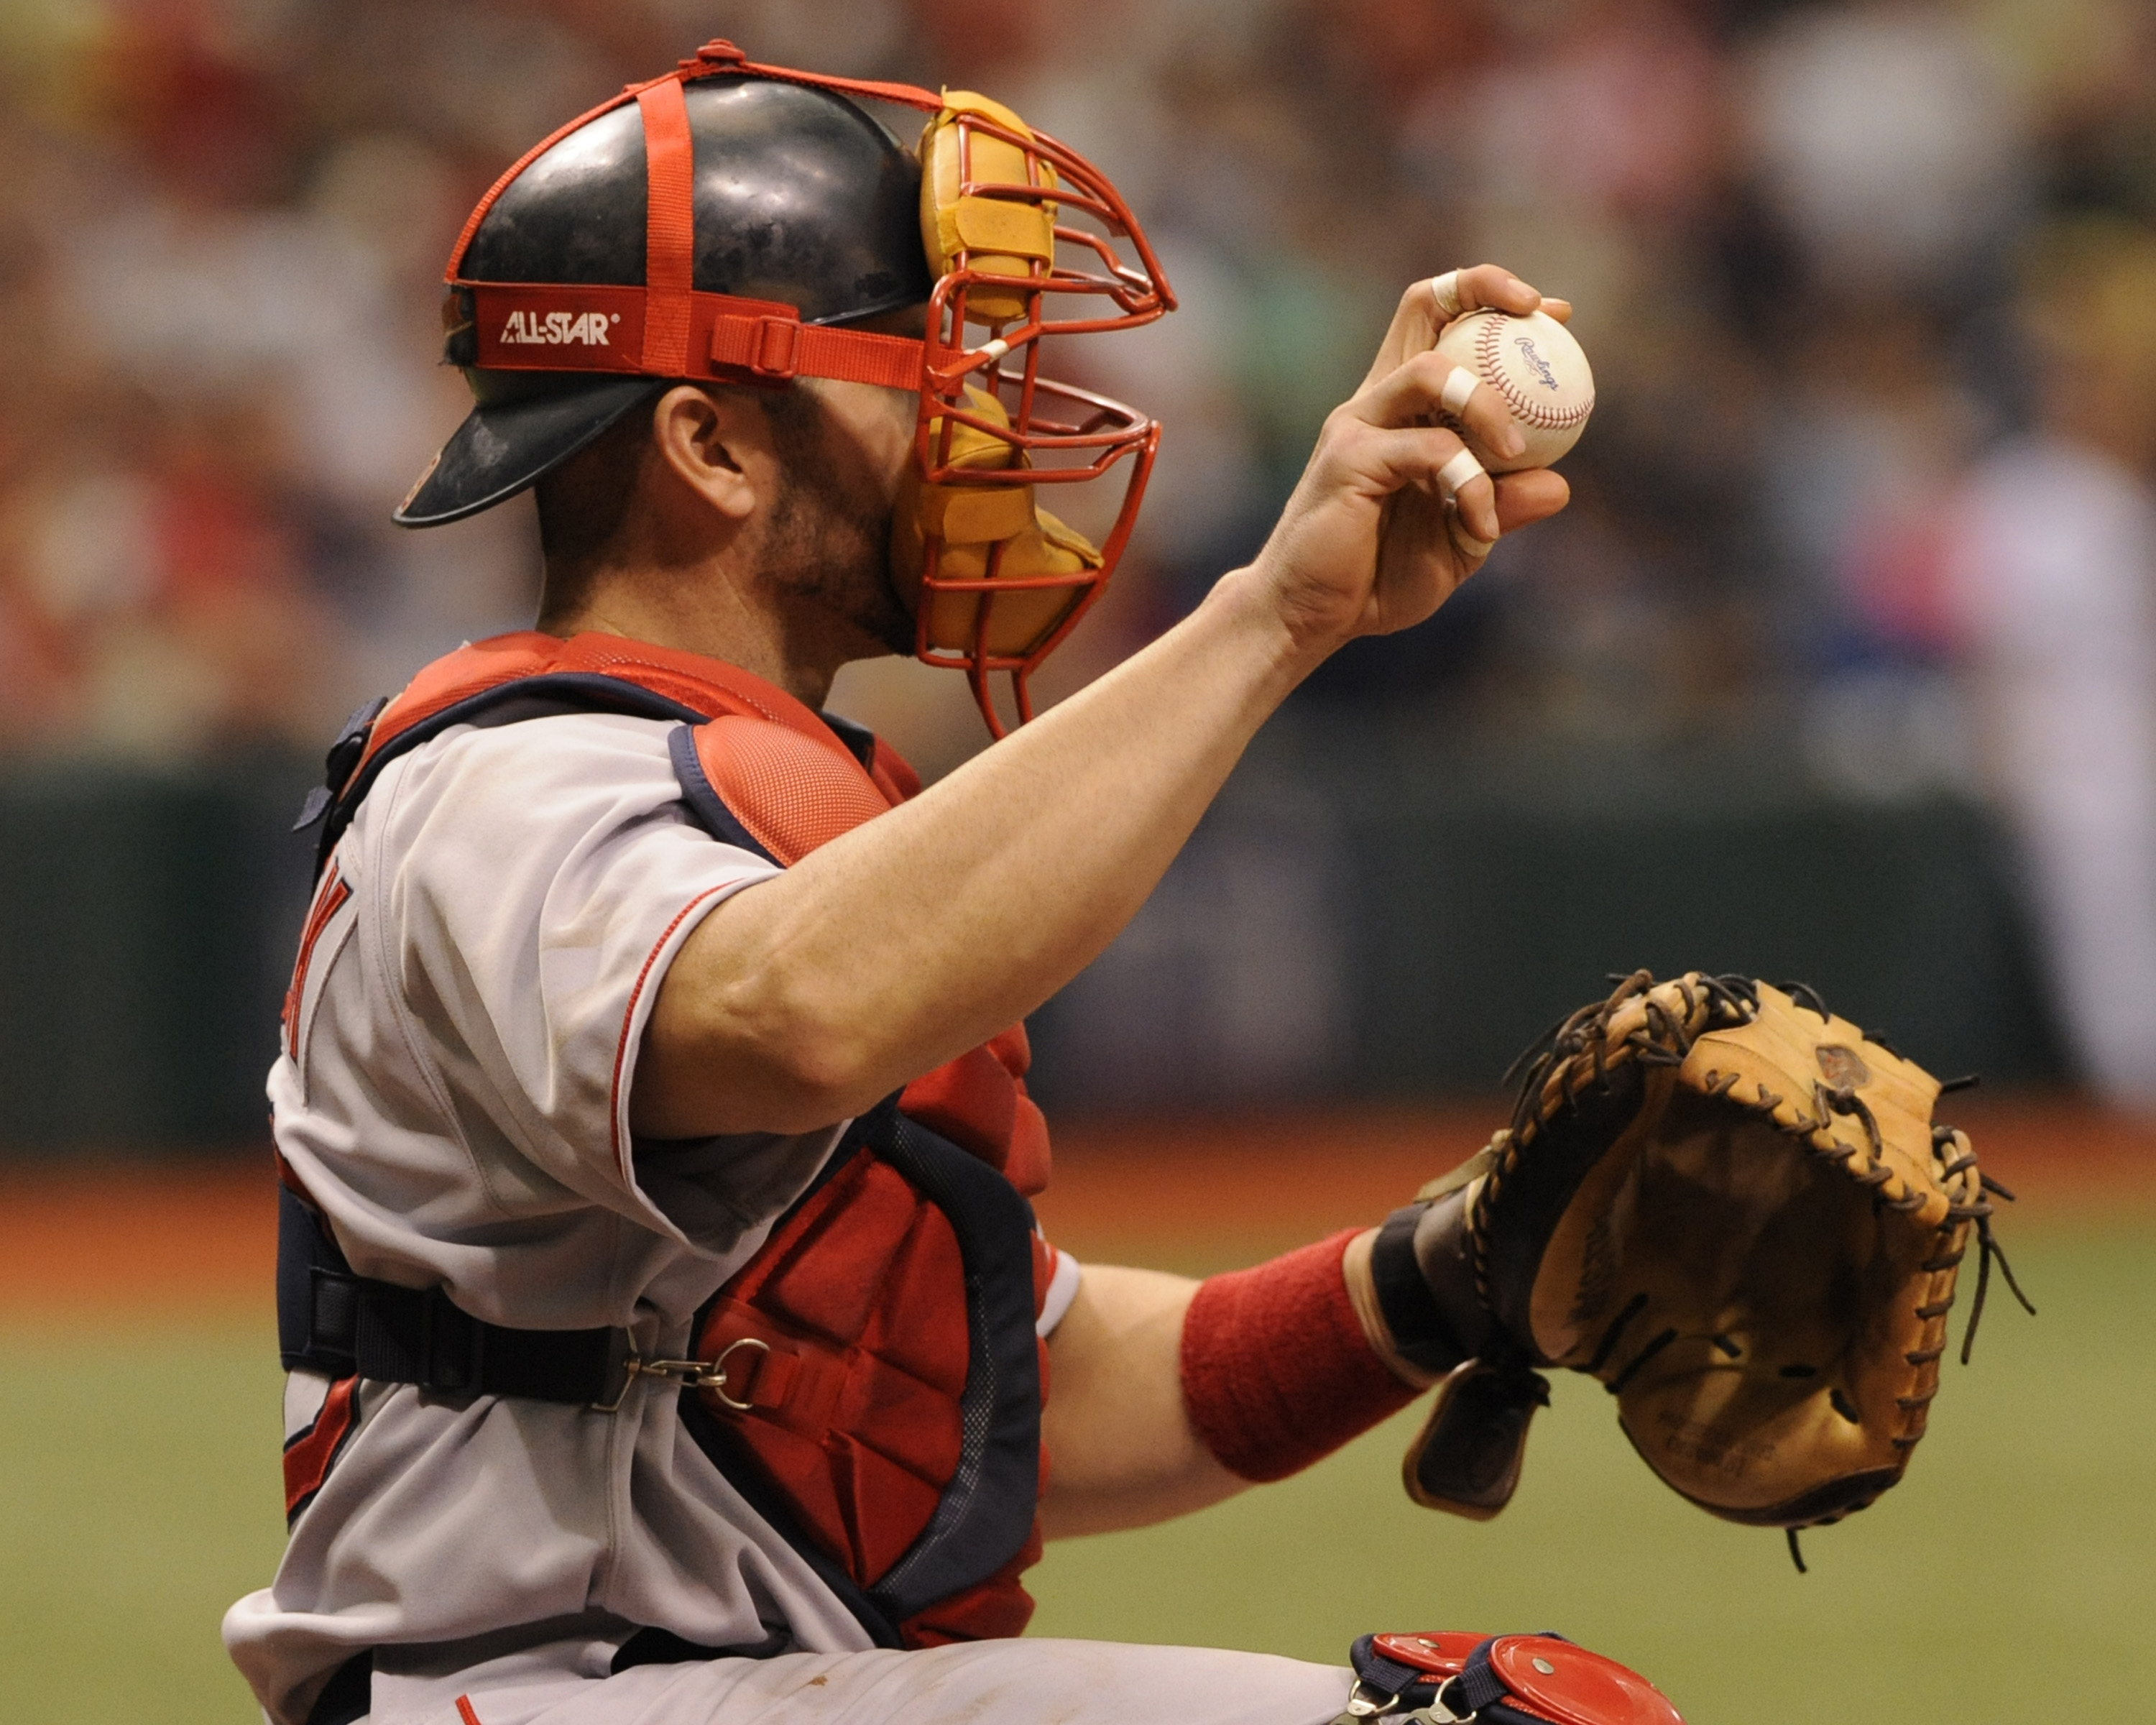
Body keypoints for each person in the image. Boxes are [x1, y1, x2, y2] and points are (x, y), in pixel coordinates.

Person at [225, 42, 1584, 1725]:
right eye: (928, 369)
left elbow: (1031, 1395)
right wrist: (1272, 616)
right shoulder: (502, 785)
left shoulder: (786, 799)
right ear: (712, 445)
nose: (991, 420)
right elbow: (794, 1011)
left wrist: (1449, 1272)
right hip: (529, 1693)